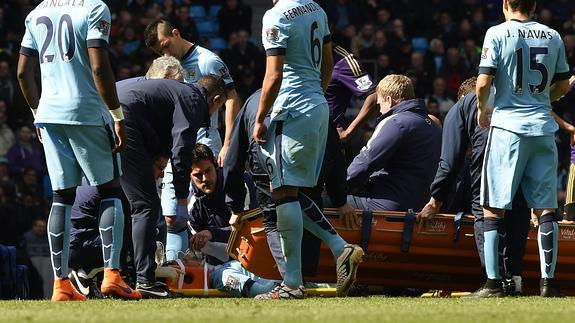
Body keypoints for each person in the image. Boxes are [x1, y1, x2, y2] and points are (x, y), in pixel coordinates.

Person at [17, 0, 140, 301]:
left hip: (48, 114)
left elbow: (23, 73)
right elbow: (99, 66)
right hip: (85, 111)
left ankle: (61, 285)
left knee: (62, 196)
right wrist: (117, 115)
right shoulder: (95, 7)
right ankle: (113, 275)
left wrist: (36, 111)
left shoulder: (38, 11)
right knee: (110, 189)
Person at [252, 0, 363, 300]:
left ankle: (292, 283)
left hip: (291, 110)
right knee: (294, 193)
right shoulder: (316, 9)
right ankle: (341, 249)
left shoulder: (275, 15)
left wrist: (260, 117)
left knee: (283, 193)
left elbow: (274, 75)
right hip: (316, 106)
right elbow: (328, 64)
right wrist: (315, 95)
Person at [474, 0, 571, 297]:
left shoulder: (497, 33)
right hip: (543, 129)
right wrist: (545, 99)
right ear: (534, 5)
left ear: (505, 4)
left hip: (508, 128)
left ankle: (492, 283)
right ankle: (548, 284)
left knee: (493, 206)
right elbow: (564, 83)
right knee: (545, 207)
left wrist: (481, 110)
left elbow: (482, 83)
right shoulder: (553, 35)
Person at [417, 77, 531, 296]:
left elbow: (449, 162)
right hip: (523, 144)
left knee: (484, 208)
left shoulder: (460, 107)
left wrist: (435, 199)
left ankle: (493, 283)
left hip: (490, 150)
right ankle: (514, 279)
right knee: (518, 206)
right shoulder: (509, 98)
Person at [117, 75, 227, 298]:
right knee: (145, 205)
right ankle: (144, 280)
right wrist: (181, 197)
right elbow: (182, 151)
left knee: (119, 198)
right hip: (126, 117)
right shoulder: (193, 100)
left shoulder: (176, 91)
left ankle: (122, 274)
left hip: (106, 109)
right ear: (215, 100)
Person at [143, 18, 242, 263]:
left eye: (166, 46)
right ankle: (177, 269)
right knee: (171, 213)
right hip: (175, 145)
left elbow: (231, 98)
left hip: (204, 142)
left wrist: (229, 141)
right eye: (159, 51)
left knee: (210, 203)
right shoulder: (167, 67)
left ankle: (228, 267)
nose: (165, 53)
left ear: (176, 33)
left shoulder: (208, 61)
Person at [346, 74, 442, 212]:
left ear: (390, 100)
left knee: (326, 201)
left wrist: (337, 186)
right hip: (422, 206)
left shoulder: (396, 122)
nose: (379, 110)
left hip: (386, 203)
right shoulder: (433, 125)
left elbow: (365, 162)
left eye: (379, 104)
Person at [326, 44, 378, 144]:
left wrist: (348, 132)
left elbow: (374, 96)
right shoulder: (302, 54)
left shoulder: (344, 61)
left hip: (328, 138)